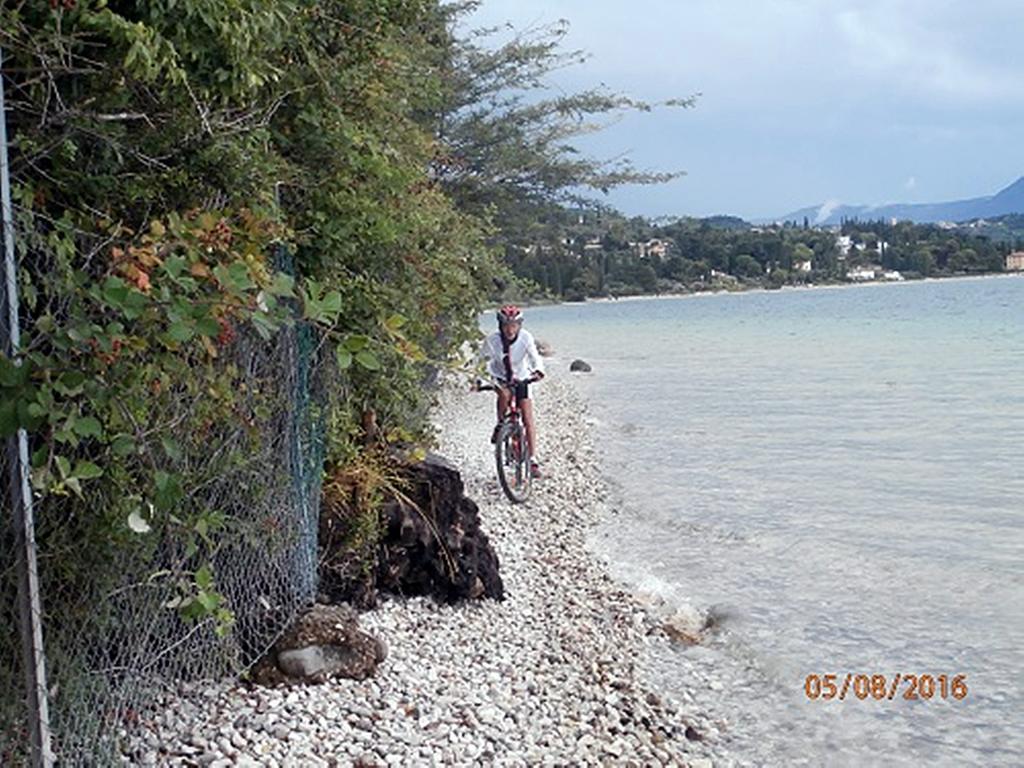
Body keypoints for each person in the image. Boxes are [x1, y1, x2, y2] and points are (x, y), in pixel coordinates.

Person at [478, 304, 545, 478]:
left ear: (519, 325)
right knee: (504, 394)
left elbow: (534, 356)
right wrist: (477, 380)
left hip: (521, 377)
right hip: (500, 377)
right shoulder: (492, 341)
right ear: (500, 326)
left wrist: (538, 370)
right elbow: (480, 361)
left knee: (528, 418)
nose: (510, 329)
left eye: (514, 325)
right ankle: (501, 424)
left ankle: (532, 459)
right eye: (507, 325)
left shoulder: (525, 338)